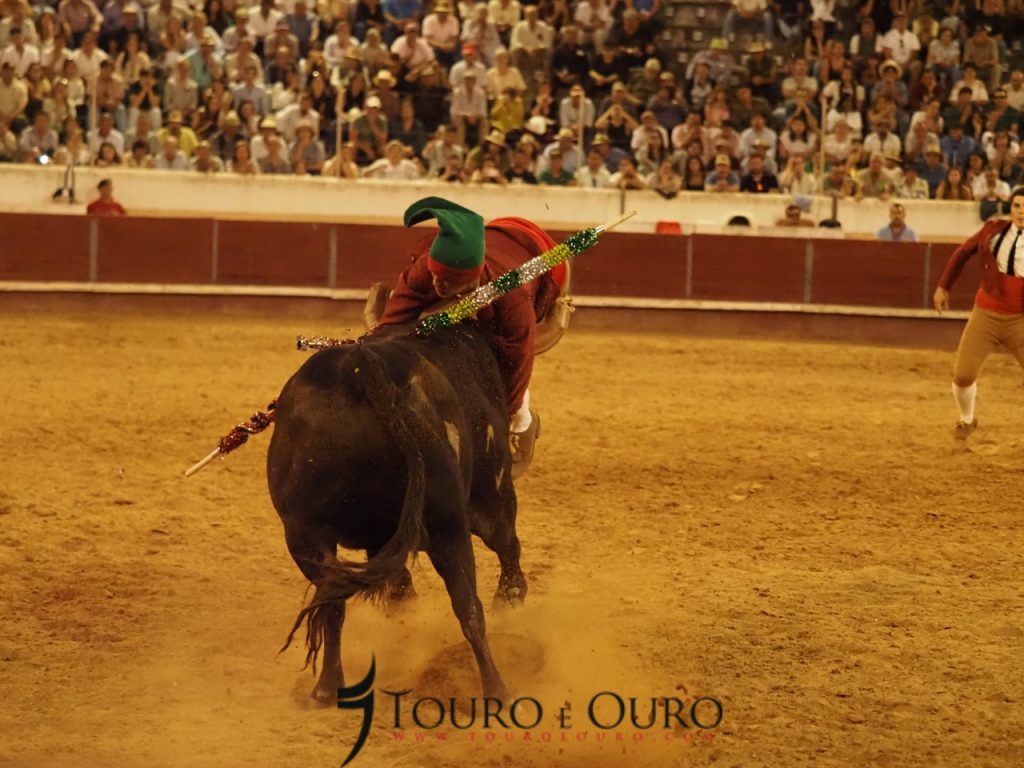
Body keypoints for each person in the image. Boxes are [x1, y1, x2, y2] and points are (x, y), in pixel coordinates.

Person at [374, 196, 568, 477]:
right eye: (435, 275)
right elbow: (391, 325)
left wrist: (504, 421)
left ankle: (526, 425)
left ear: (471, 278)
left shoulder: (513, 299)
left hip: (542, 256)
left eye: (447, 280)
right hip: (498, 235)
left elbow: (519, 359)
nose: (437, 282)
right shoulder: (426, 271)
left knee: (502, 360)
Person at [933, 186, 1024, 441]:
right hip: (987, 314)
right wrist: (943, 286)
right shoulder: (992, 231)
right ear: (1010, 208)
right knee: (963, 375)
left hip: (1021, 320)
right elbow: (963, 252)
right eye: (1017, 206)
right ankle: (966, 419)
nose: (1022, 212)